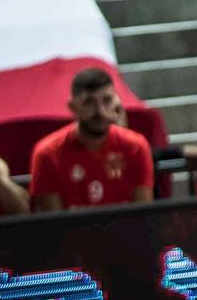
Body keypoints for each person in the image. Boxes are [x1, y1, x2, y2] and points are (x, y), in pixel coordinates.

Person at [28, 67, 155, 210]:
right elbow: (54, 223)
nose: (100, 111)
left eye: (107, 100)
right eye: (89, 102)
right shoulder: (47, 153)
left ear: (116, 101)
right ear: (72, 107)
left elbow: (143, 215)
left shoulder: (136, 146)